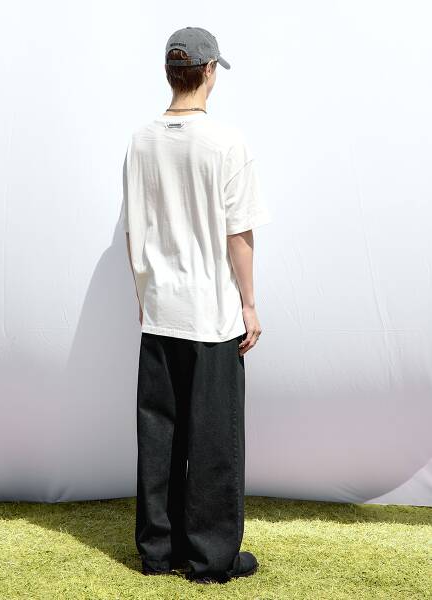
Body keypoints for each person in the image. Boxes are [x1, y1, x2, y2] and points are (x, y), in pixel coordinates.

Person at [120, 26, 272, 584]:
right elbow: (239, 234)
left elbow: (135, 229)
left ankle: (159, 552)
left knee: (160, 435)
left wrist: (144, 295)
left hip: (160, 310)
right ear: (209, 72)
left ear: (169, 73)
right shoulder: (226, 143)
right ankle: (211, 559)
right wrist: (249, 304)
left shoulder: (140, 141)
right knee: (213, 439)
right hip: (212, 315)